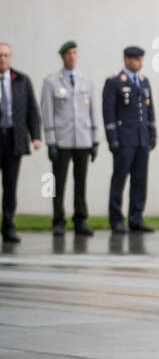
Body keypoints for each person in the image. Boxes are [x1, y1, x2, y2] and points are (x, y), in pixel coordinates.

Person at [40, 40, 99, 236]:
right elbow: (47, 112)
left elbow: (93, 111)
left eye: (74, 53)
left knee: (80, 182)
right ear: (62, 56)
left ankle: (80, 220)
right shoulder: (51, 81)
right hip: (62, 140)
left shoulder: (86, 81)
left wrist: (95, 138)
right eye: (68, 54)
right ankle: (58, 220)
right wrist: (50, 140)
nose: (72, 57)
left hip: (82, 138)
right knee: (59, 183)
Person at [102, 45, 155, 233]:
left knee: (140, 181)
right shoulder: (115, 82)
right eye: (135, 59)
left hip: (141, 139)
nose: (139, 63)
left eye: (141, 59)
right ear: (126, 59)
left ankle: (136, 217)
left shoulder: (144, 81)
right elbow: (109, 112)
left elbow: (149, 111)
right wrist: (112, 138)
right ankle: (116, 219)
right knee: (120, 179)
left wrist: (152, 133)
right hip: (124, 140)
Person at [0, 42, 43, 243]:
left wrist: (35, 136)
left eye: (6, 55)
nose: (3, 59)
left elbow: (32, 110)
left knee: (10, 187)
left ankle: (8, 227)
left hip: (12, 140)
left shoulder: (21, 80)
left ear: (11, 57)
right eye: (0, 55)